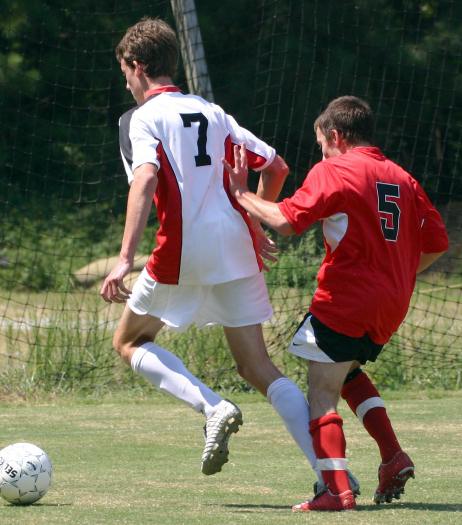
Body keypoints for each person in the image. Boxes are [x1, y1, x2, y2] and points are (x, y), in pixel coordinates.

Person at [100, 16, 329, 486]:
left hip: (184, 249)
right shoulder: (212, 111)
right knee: (258, 367)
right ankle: (330, 474)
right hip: (235, 249)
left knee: (128, 342)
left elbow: (144, 178)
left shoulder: (145, 118)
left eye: (124, 70)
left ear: (138, 66)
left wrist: (124, 258)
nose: (125, 81)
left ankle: (213, 405)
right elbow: (277, 165)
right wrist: (254, 216)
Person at [223, 95, 449, 511]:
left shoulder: (336, 168)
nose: (321, 153)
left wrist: (240, 193)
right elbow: (438, 242)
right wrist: (395, 273)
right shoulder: (402, 177)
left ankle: (335, 490)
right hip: (391, 302)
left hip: (347, 297)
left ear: (335, 135)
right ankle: (392, 456)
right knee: (346, 372)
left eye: (321, 145)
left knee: (322, 390)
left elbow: (286, 221)